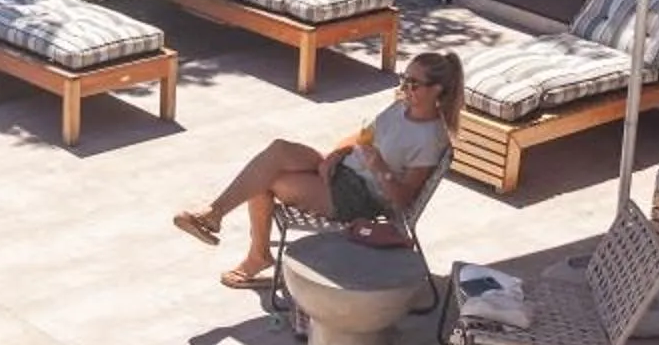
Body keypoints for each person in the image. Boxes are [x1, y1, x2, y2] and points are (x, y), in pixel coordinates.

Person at [174, 51, 464, 288]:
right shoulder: (399, 109)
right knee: (278, 150)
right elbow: (362, 136)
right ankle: (215, 215)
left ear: (437, 89)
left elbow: (403, 201)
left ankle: (255, 254)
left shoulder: (430, 139)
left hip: (358, 196)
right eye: (404, 79)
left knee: (267, 180)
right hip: (344, 168)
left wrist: (379, 167)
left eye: (414, 83)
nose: (405, 88)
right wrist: (336, 154)